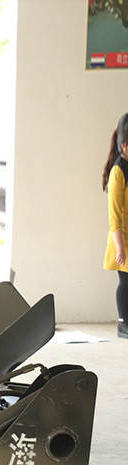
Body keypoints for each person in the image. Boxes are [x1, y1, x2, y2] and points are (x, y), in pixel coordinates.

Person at [102, 112, 128, 339]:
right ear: (123, 145)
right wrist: (120, 248)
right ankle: (123, 323)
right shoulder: (118, 171)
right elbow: (115, 215)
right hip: (123, 239)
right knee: (126, 281)